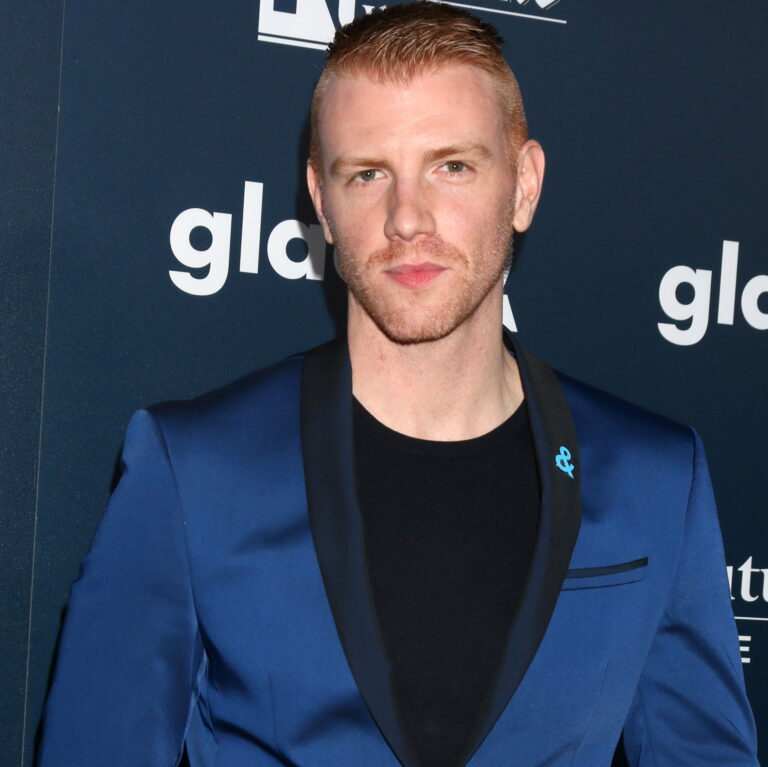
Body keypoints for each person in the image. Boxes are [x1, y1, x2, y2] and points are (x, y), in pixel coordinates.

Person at [37, 3, 758, 766]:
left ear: (523, 186)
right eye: (369, 172)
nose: (407, 218)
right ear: (322, 200)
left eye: (452, 165)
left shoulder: (653, 476)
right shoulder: (194, 472)